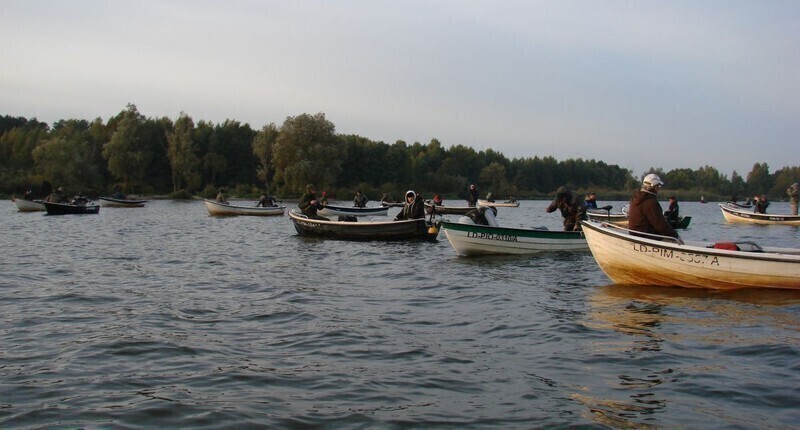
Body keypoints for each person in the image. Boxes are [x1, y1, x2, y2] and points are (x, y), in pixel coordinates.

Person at [627, 174, 680, 240]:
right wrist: (676, 236)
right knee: (675, 240)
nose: (658, 188)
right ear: (654, 187)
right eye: (658, 186)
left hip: (634, 235)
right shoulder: (650, 202)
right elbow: (660, 226)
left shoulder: (635, 198)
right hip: (646, 237)